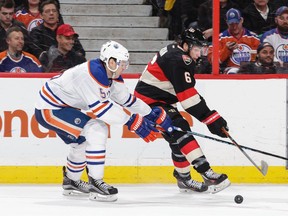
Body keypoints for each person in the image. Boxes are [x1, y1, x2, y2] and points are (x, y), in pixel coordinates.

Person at [34, 40, 172, 202]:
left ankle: (71, 181)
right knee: (97, 129)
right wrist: (132, 121)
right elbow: (102, 110)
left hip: (60, 107)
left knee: (82, 142)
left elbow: (126, 99)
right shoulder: (92, 74)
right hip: (49, 109)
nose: (124, 67)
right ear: (111, 61)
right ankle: (95, 182)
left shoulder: (111, 75)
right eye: (122, 63)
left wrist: (150, 114)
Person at [134, 28, 231, 193]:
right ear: (186, 45)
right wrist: (212, 120)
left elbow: (188, 93)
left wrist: (211, 119)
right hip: (149, 105)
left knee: (176, 137)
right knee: (181, 128)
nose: (199, 54)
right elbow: (188, 100)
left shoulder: (176, 53)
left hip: (157, 102)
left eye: (201, 49)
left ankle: (183, 178)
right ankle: (207, 173)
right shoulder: (180, 60)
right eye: (196, 49)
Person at [208, 8, 260, 74]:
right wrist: (226, 50)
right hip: (230, 71)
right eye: (231, 24)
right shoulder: (219, 39)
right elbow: (213, 61)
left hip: (251, 70)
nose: (234, 27)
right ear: (227, 22)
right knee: (232, 72)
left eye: (236, 23)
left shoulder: (254, 38)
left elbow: (261, 57)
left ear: (241, 20)